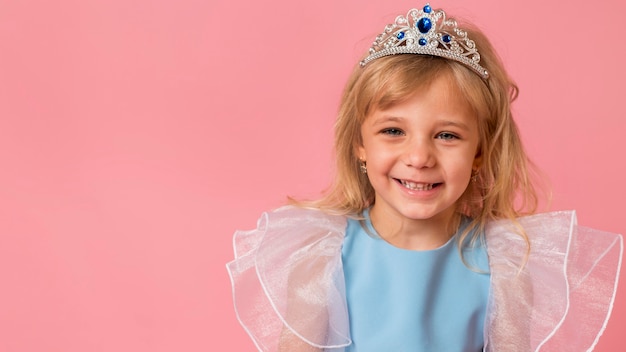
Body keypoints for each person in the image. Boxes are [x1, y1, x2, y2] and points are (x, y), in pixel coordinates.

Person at [227, 4, 623, 351]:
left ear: (479, 154)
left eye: (447, 135)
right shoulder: (322, 260)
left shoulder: (503, 270)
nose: (419, 158)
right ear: (359, 144)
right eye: (393, 131)